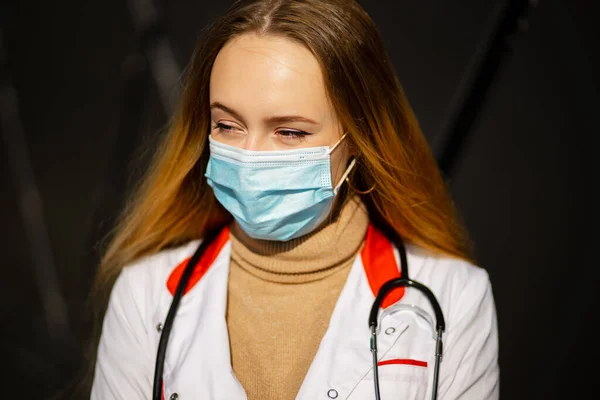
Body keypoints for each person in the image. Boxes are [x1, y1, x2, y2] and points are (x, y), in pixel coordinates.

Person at [89, 0, 499, 399]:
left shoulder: (454, 298)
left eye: (290, 132)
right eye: (228, 125)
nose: (250, 156)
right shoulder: (145, 294)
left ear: (358, 137)